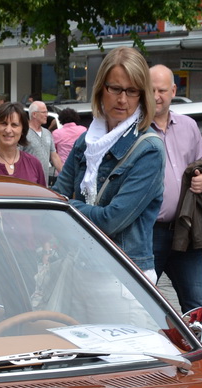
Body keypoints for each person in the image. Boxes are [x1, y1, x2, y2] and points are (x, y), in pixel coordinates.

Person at [52, 46, 165, 274]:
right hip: (81, 265)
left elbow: (111, 220)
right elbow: (57, 196)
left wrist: (68, 207)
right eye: (115, 88)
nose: (123, 99)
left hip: (126, 274)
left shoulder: (149, 149)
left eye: (132, 91)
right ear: (101, 89)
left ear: (142, 95)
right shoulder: (86, 141)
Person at [148, 64, 202, 332]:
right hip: (147, 234)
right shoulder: (135, 128)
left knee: (197, 306)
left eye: (162, 90)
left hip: (185, 232)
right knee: (139, 303)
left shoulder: (188, 126)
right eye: (151, 90)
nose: (156, 96)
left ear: (173, 91)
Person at [24, 100, 61, 180]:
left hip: (44, 183)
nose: (46, 115)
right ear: (34, 114)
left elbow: (54, 156)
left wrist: (64, 174)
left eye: (46, 112)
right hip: (28, 183)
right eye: (44, 112)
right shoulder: (23, 134)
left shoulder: (47, 133)